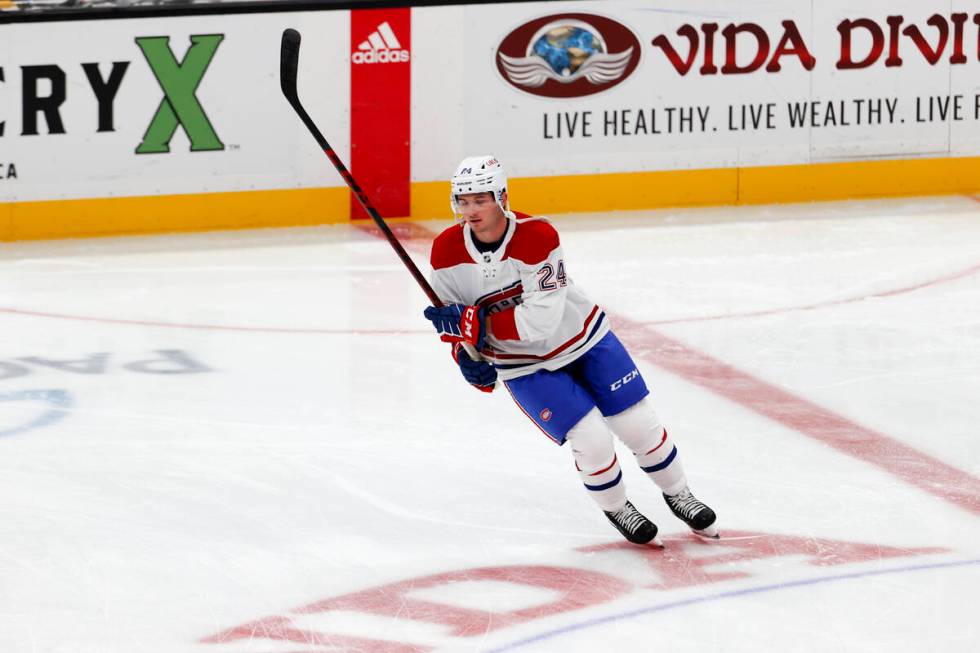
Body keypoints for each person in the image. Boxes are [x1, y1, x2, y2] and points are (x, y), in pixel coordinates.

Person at [422, 155, 717, 545]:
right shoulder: (445, 251)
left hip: (584, 339)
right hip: (523, 365)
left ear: (501, 197)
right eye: (463, 201)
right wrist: (463, 354)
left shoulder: (537, 236)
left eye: (481, 200)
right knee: (591, 437)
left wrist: (474, 326)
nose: (471, 210)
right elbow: (454, 321)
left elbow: (540, 321)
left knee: (636, 423)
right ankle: (618, 508)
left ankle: (680, 494)